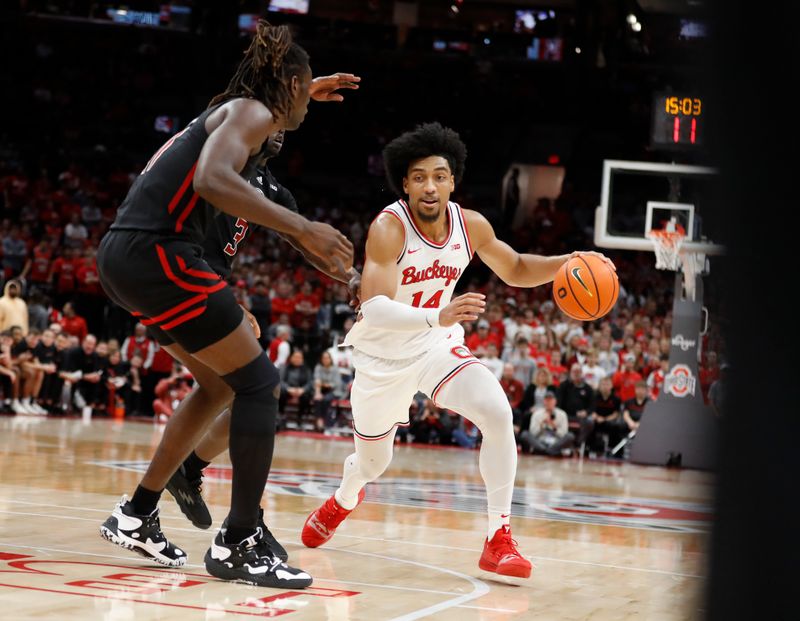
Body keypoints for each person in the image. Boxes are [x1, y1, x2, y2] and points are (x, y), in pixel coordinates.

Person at [95, 21, 354, 589]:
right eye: (303, 90)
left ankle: (137, 511)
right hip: (159, 253)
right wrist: (305, 227)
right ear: (286, 86)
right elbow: (213, 176)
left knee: (219, 386)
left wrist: (329, 256)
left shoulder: (254, 140)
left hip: (128, 257)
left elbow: (251, 188)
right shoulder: (251, 113)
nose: (305, 113)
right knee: (259, 384)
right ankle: (240, 540)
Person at [299, 123, 613, 579]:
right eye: (420, 177)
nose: (430, 186)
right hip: (383, 357)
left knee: (498, 411)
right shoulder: (389, 228)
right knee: (373, 462)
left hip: (435, 347)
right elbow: (375, 308)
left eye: (439, 176)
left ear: (453, 180)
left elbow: (517, 267)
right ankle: (346, 497)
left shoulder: (471, 225)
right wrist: (439, 316)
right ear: (404, 184)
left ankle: (498, 538)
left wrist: (568, 263)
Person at [519, 390, 574, 456]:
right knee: (524, 434)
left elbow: (564, 433)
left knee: (570, 436)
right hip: (540, 440)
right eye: (547, 400)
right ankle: (549, 451)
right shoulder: (537, 414)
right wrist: (541, 425)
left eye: (550, 400)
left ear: (555, 401)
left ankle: (545, 451)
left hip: (556, 441)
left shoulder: (562, 414)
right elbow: (532, 433)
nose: (549, 402)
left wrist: (554, 427)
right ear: (543, 401)